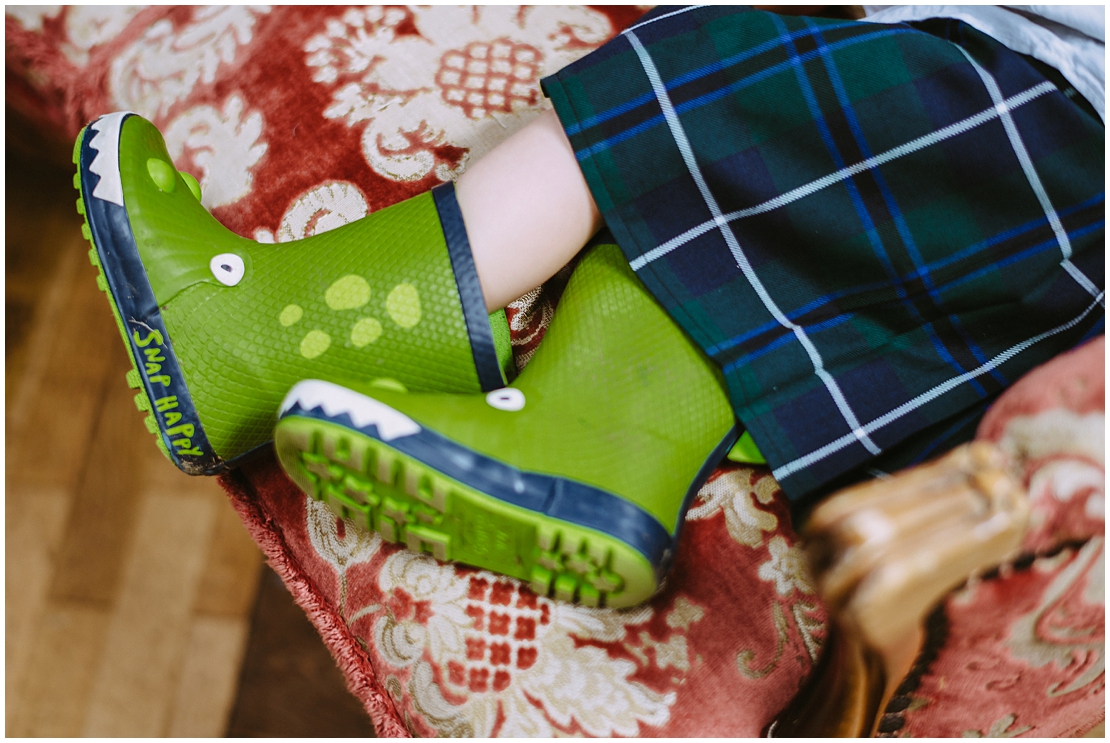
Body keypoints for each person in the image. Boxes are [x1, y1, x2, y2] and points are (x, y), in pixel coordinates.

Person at [77, 6, 1103, 607]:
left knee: (672, 106)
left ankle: (283, 328)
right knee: (726, 241)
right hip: (1035, 258)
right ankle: (590, 455)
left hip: (1052, 130)